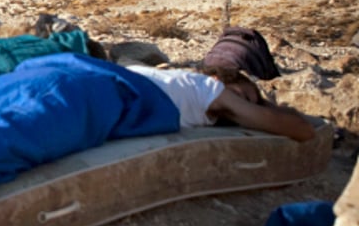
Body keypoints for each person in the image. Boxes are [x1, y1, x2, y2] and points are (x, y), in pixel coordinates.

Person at [126, 63, 315, 141]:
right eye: (243, 97)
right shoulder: (206, 88)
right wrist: (265, 106)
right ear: (217, 80)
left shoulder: (177, 81)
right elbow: (303, 129)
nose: (244, 107)